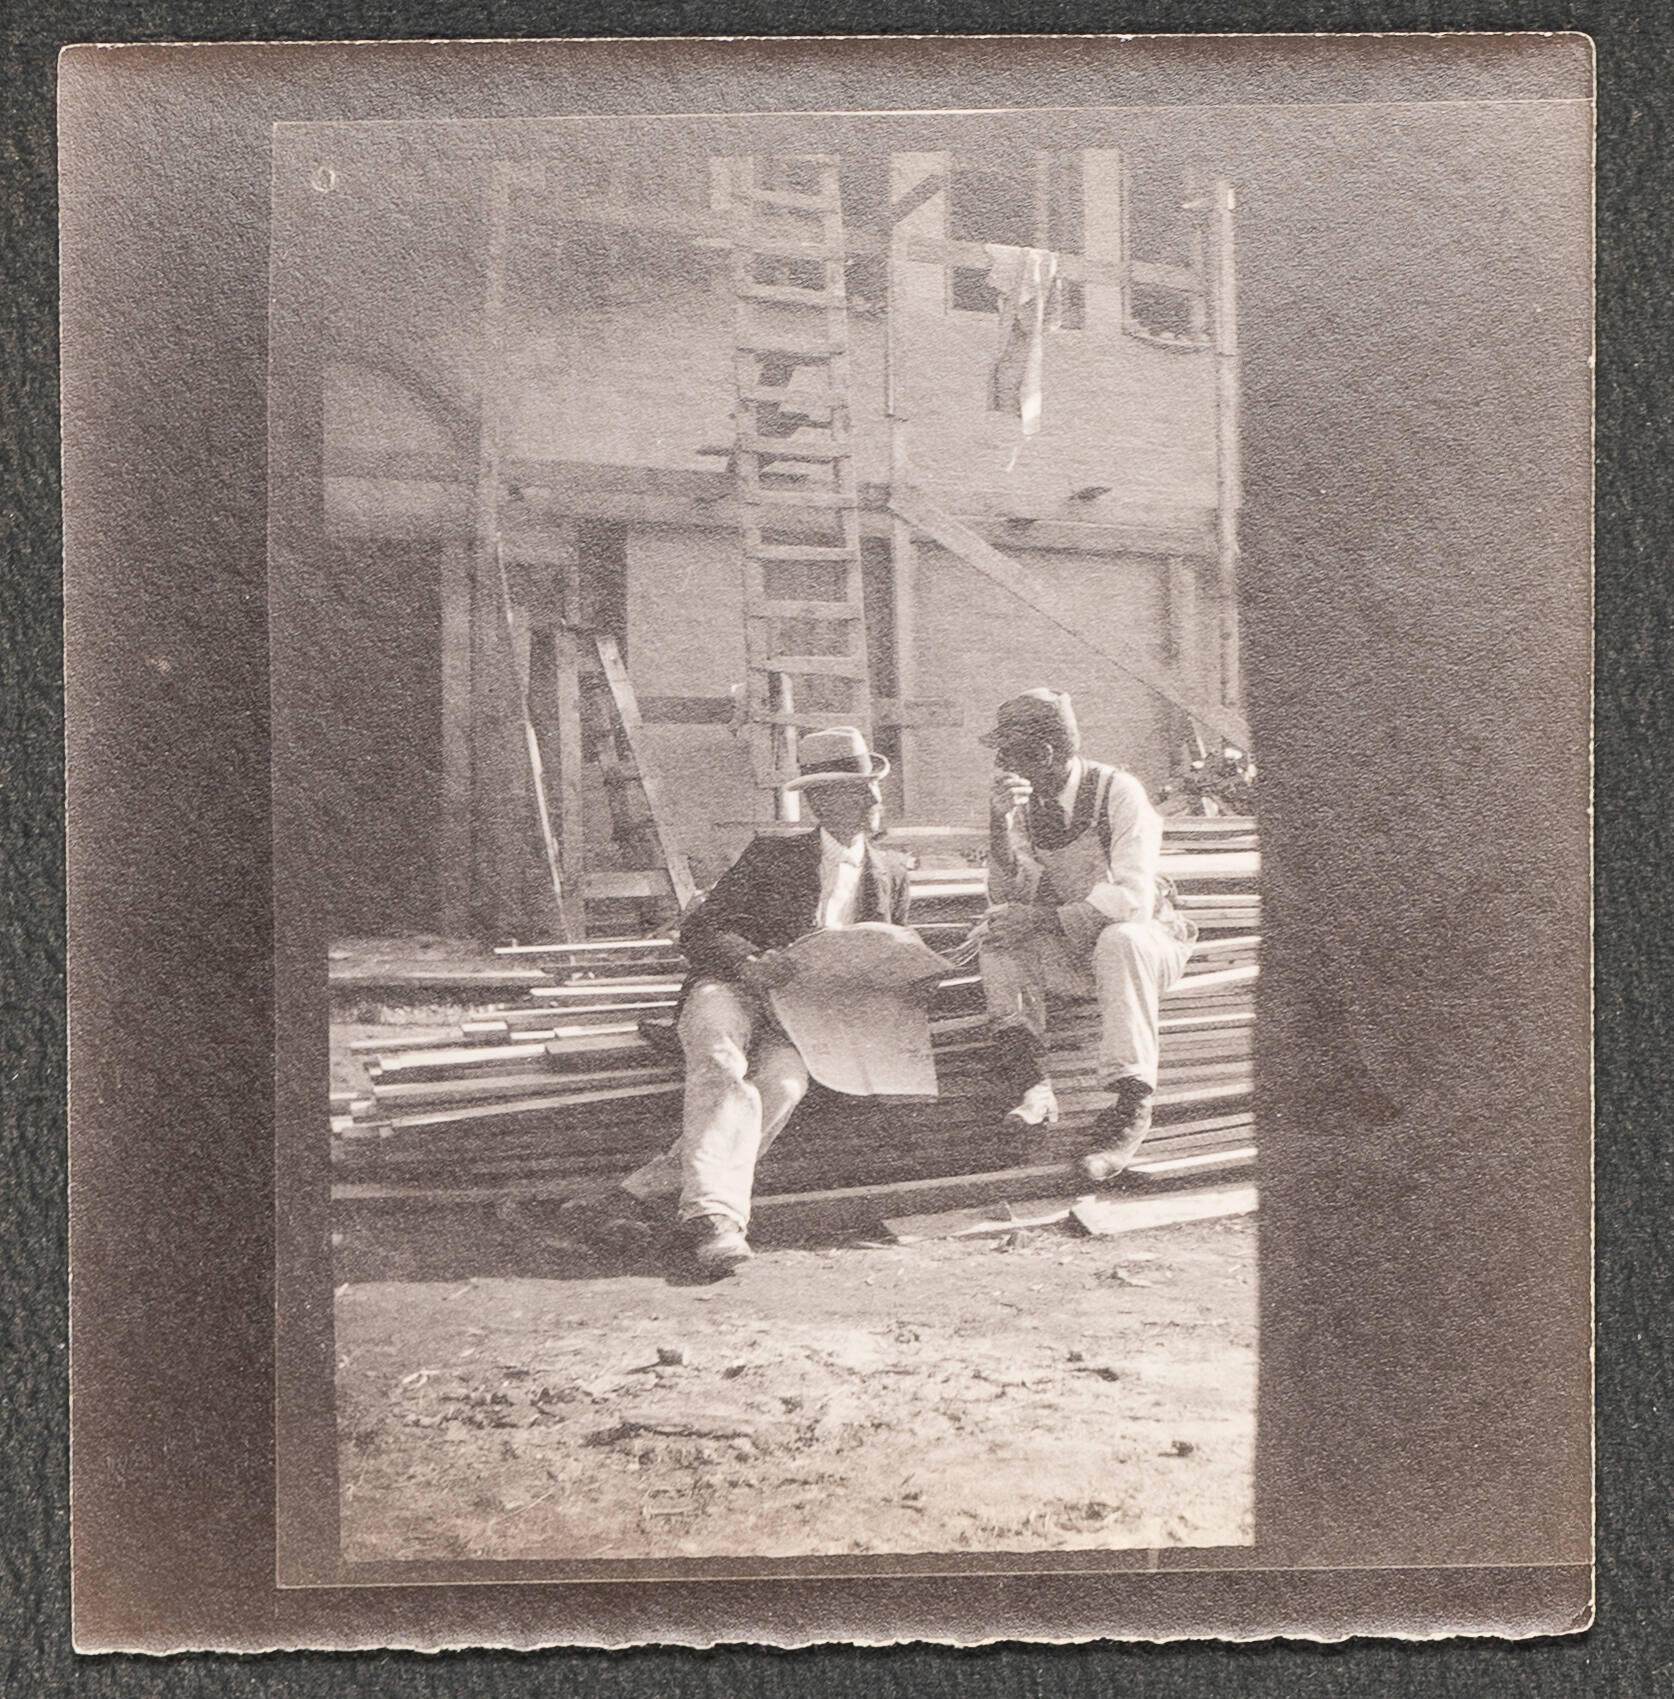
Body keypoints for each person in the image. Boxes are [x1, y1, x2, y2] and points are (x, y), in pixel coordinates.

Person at [615, 725, 911, 1275]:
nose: (873, 798)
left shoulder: (891, 872)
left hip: (804, 1016)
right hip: (731, 987)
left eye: (874, 786)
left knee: (785, 1084)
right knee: (720, 1058)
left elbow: (890, 956)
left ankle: (639, 1193)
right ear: (821, 801)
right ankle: (716, 1222)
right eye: (857, 788)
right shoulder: (773, 855)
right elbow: (701, 929)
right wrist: (749, 960)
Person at [977, 688, 1197, 1183]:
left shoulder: (1119, 792)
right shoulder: (1027, 806)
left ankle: (1131, 1107)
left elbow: (1134, 899)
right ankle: (1032, 1088)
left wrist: (1043, 919)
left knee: (1120, 938)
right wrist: (998, 825)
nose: (1000, 763)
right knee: (999, 940)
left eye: (1008, 753)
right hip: (1081, 948)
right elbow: (1011, 890)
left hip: (1149, 944)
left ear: (1044, 754)